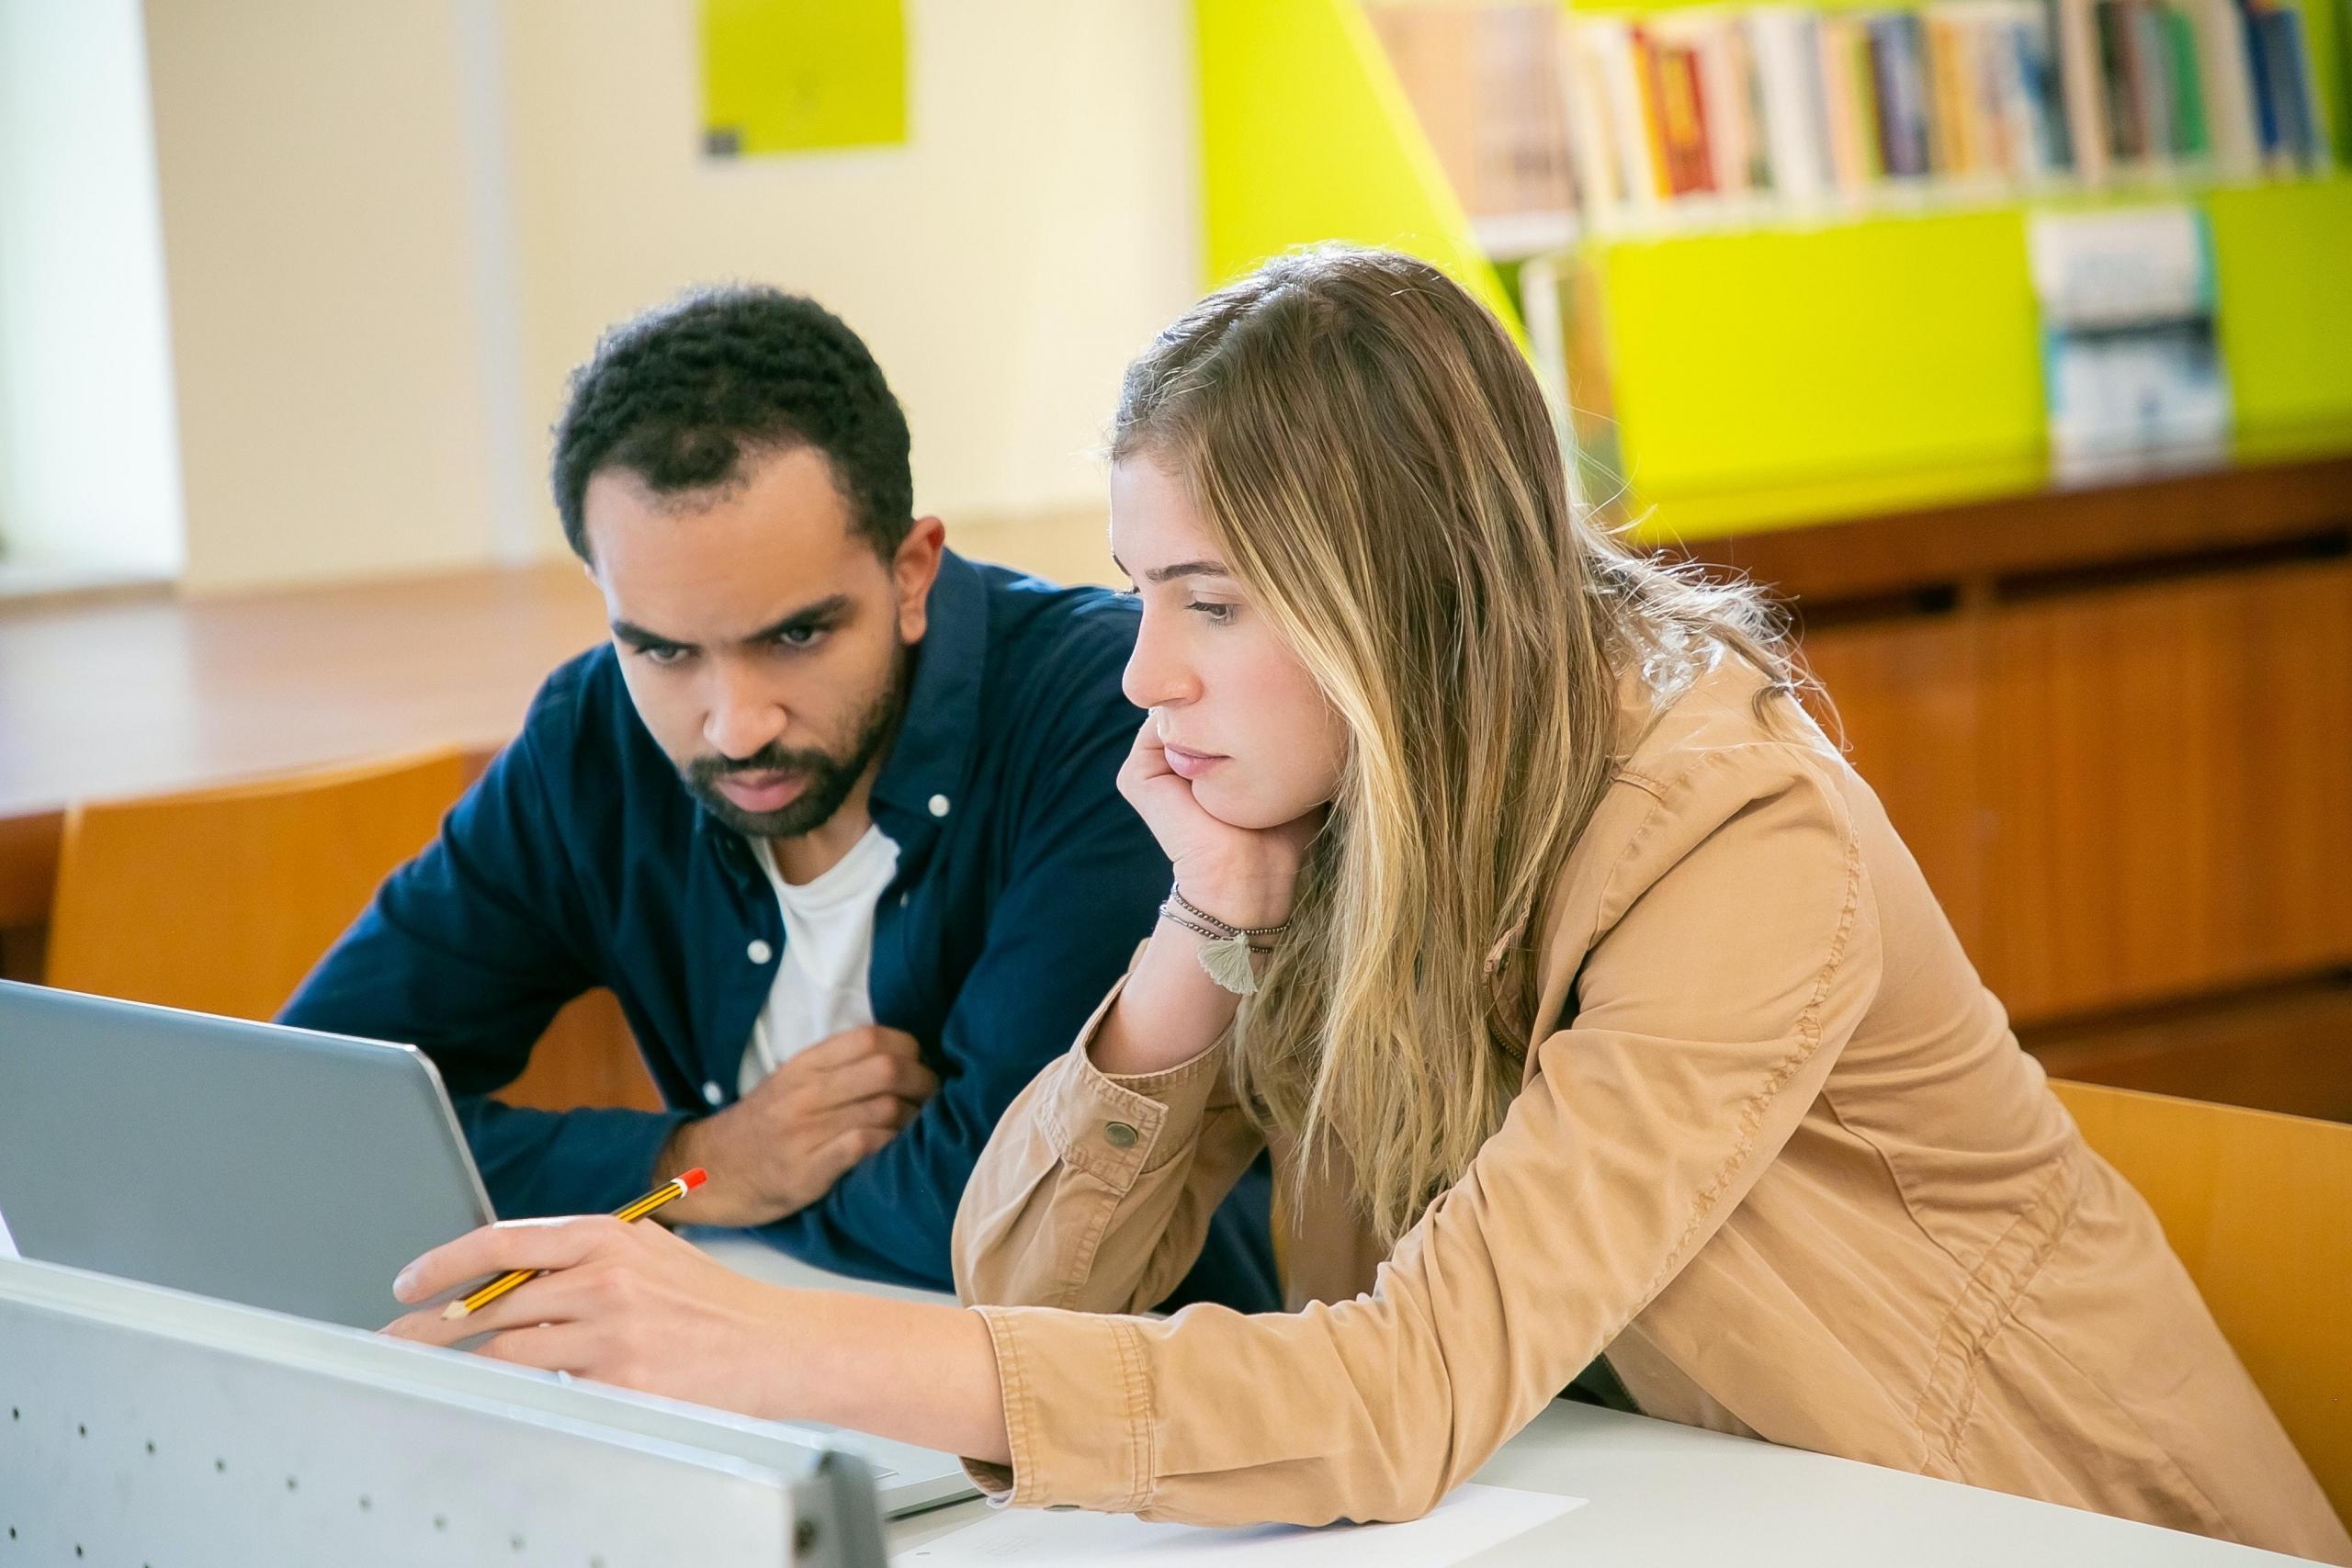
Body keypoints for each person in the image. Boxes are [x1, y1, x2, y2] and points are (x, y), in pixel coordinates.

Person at [384, 250, 2351, 1562]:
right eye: (1139, 592)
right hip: (1679, 1501)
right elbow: (1027, 1303)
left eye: (1208, 606)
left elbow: (1394, 1392)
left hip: (2041, 1521)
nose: (1141, 675)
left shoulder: (1735, 842)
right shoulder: (1326, 806)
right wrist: (1203, 934)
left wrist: (765, 1346)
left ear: (1399, 603)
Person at [288, 286, 1276, 1313]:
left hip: (1100, 1416)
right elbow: (316, 1107)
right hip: (741, 1377)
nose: (735, 724)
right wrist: (696, 1163)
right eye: (663, 649)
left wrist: (715, 1199)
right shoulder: (593, 735)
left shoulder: (1109, 717)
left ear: (910, 571)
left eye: (795, 636)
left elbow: (996, 1221)